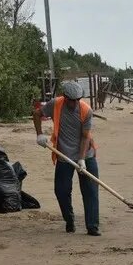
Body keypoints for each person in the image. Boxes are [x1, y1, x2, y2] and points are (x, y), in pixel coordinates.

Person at [33, 81, 101, 236]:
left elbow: (85, 137)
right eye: (72, 100)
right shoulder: (55, 104)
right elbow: (37, 114)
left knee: (90, 191)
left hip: (86, 155)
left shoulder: (86, 110)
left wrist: (82, 159)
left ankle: (92, 226)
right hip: (64, 156)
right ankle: (69, 219)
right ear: (65, 97)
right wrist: (39, 134)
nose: (75, 103)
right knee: (61, 191)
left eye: (78, 99)